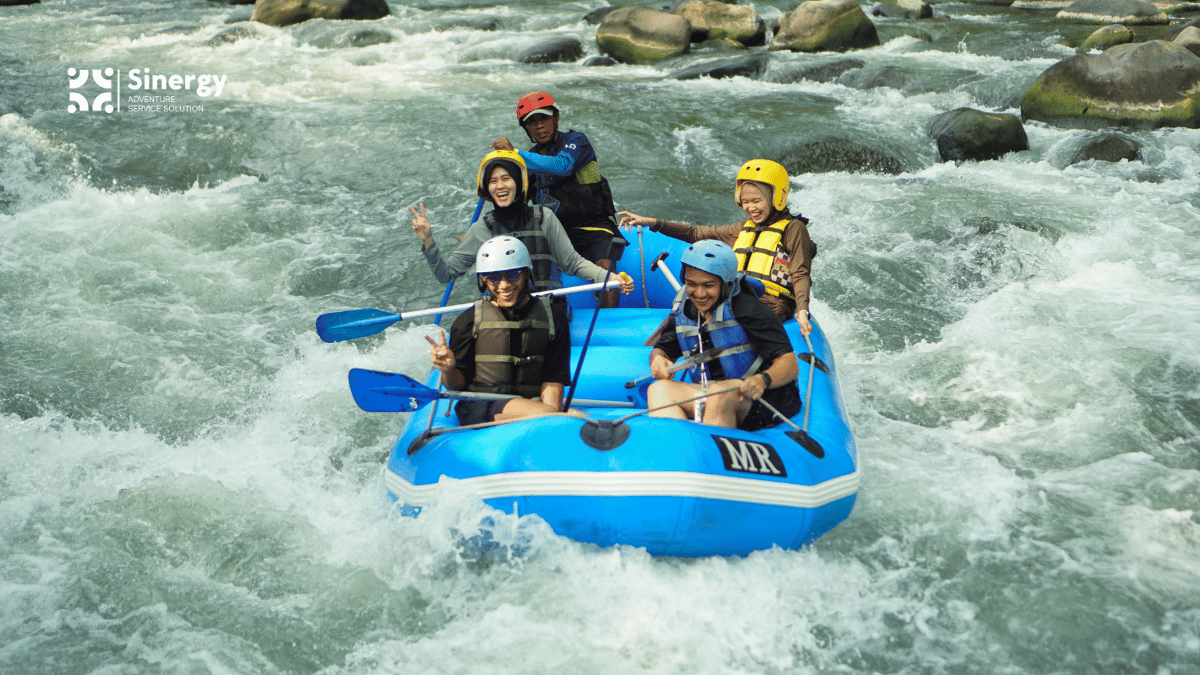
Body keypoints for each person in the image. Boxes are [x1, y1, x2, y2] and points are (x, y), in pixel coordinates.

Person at [618, 159, 816, 336]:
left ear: (776, 198)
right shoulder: (741, 228)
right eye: (745, 202)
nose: (750, 208)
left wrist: (802, 311)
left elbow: (799, 273)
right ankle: (656, 354)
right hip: (737, 296)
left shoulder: (794, 229)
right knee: (684, 307)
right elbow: (695, 234)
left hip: (772, 302)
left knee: (723, 319)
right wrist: (651, 222)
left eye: (757, 201)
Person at [410, 149, 633, 297]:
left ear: (519, 182)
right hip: (503, 314)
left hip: (545, 310)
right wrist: (429, 241)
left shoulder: (544, 217)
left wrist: (611, 278)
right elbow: (446, 274)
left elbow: (572, 263)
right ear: (486, 188)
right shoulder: (481, 229)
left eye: (506, 178)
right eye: (493, 181)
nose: (500, 186)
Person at [489, 90, 628, 308]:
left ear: (556, 118)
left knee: (603, 263)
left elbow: (562, 166)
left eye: (544, 118)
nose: (539, 126)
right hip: (555, 232)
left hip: (593, 226)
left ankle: (606, 319)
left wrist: (515, 154)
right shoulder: (527, 161)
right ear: (526, 129)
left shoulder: (576, 141)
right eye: (531, 123)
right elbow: (515, 205)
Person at [646, 240, 800, 430]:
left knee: (719, 393)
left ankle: (715, 451)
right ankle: (683, 448)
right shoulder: (685, 310)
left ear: (725, 284)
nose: (699, 293)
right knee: (659, 389)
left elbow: (790, 364)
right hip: (713, 392)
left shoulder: (749, 310)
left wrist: (762, 380)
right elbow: (662, 349)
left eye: (708, 285)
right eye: (691, 284)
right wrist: (658, 359)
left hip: (763, 399)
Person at [426, 236, 579, 425]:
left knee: (574, 418)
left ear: (525, 274)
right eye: (494, 279)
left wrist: (552, 413)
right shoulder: (467, 322)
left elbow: (554, 377)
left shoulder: (553, 317)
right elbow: (456, 386)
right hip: (481, 406)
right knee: (561, 416)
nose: (504, 285)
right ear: (484, 280)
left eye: (512, 276)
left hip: (532, 404)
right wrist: (449, 369)